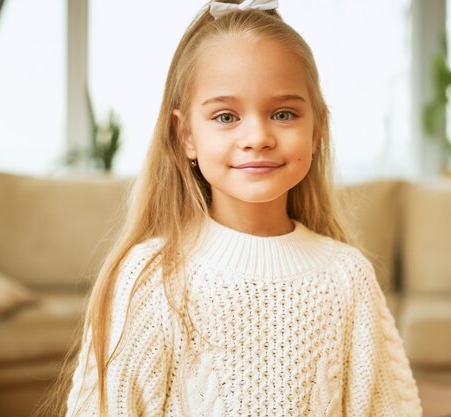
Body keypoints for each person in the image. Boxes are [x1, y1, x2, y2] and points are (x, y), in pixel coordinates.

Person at [64, 0, 422, 416]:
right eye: (226, 116)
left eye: (283, 113)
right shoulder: (149, 278)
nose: (257, 136)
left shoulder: (347, 276)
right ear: (186, 136)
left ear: (316, 129)